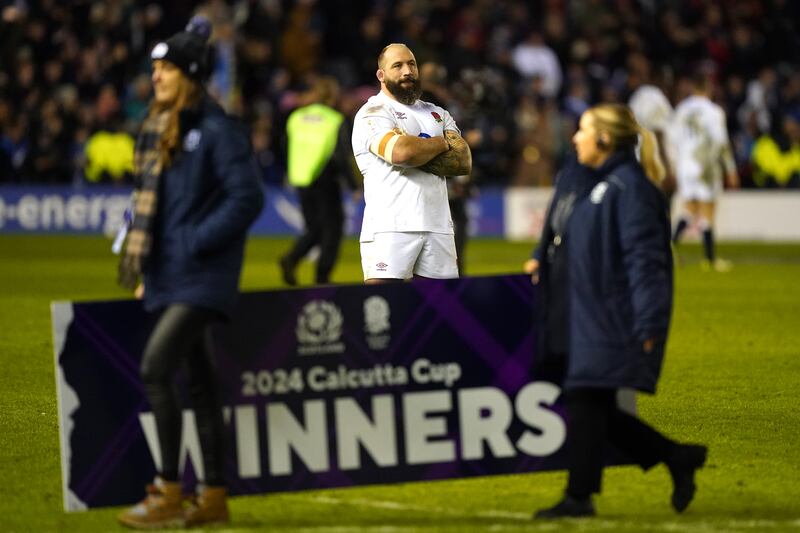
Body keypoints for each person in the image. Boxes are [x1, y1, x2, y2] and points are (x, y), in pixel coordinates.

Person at [115, 16, 265, 529]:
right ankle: (213, 497)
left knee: (155, 369)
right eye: (155, 68)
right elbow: (161, 211)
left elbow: (247, 198)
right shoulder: (163, 128)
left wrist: (195, 243)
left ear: (191, 74)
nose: (156, 76)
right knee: (200, 385)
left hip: (203, 276)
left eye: (167, 68)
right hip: (173, 275)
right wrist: (152, 266)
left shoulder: (218, 131)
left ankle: (168, 492)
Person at [530, 104, 707, 519]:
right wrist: (543, 260)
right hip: (586, 313)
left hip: (610, 316)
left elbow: (646, 263)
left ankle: (579, 496)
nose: (576, 137)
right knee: (590, 402)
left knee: (585, 397)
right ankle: (675, 457)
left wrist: (649, 323)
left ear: (605, 138)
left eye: (584, 130)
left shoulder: (630, 190)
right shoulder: (602, 185)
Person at [351, 43, 472, 283]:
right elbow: (401, 154)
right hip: (390, 227)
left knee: (440, 304)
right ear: (381, 75)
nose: (407, 71)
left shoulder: (437, 113)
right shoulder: (373, 112)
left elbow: (462, 161)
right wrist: (442, 143)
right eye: (397, 66)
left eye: (412, 64)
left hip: (438, 227)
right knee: (384, 302)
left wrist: (416, 148)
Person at [278, 76, 359, 286]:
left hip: (300, 177)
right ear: (332, 96)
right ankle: (322, 276)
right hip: (325, 179)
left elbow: (285, 145)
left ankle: (292, 258)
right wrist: (353, 185)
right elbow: (341, 156)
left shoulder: (296, 117)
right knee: (333, 228)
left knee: (314, 227)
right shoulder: (335, 119)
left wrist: (291, 170)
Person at [669, 73, 740, 272]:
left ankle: (667, 251)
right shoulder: (714, 111)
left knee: (689, 210)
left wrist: (675, 166)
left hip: (685, 166)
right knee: (708, 210)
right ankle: (709, 259)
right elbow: (720, 143)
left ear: (693, 88)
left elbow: (672, 141)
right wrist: (731, 169)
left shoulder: (681, 110)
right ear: (709, 89)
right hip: (705, 165)